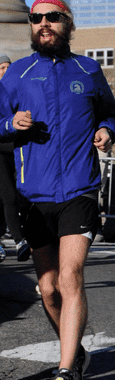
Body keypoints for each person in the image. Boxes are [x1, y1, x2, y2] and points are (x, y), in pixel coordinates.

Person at [0, 0, 115, 380]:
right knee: (48, 288)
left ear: (68, 23)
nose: (43, 24)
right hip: (34, 195)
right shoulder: (16, 74)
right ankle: (76, 353)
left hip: (80, 190)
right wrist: (9, 123)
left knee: (70, 276)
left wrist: (106, 130)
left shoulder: (88, 70)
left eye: (52, 18)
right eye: (36, 19)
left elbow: (109, 112)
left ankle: (66, 370)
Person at [0, 55, 31, 263]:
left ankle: (24, 236)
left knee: (23, 196)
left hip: (17, 149)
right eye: (1, 67)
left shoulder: (20, 89)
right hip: (0, 150)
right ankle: (19, 241)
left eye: (8, 67)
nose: (5, 71)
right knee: (8, 196)